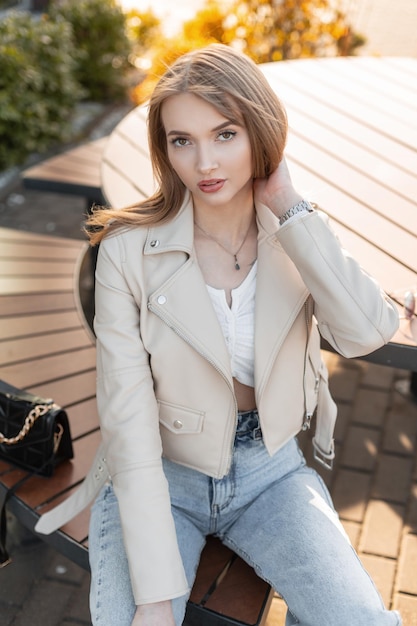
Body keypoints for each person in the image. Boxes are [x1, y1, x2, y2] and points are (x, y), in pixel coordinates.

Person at [36, 44, 401, 626]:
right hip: (159, 473)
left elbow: (364, 333)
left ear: (260, 130)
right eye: (182, 140)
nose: (204, 162)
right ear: (166, 149)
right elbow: (128, 423)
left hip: (271, 471)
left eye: (225, 134)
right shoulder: (127, 252)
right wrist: (156, 595)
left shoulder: (294, 231)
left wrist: (286, 202)